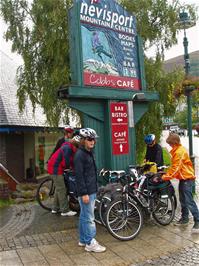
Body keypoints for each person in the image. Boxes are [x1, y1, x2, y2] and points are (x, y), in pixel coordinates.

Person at [74, 128, 106, 253]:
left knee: (84, 216)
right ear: (83, 140)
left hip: (90, 189)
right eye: (89, 139)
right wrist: (84, 193)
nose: (92, 141)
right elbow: (79, 176)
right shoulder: (80, 155)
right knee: (89, 218)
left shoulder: (88, 152)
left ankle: (83, 239)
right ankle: (90, 243)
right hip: (86, 191)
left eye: (94, 139)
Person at [161, 133, 199, 232]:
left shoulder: (179, 152)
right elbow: (173, 167)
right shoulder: (176, 151)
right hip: (183, 178)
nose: (169, 145)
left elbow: (176, 168)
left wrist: (165, 177)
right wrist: (166, 174)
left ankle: (198, 221)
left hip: (187, 178)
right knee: (183, 199)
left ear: (175, 142)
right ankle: (185, 218)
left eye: (170, 144)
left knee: (189, 200)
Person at [47, 135, 81, 216]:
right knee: (62, 190)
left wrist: (73, 167)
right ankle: (65, 211)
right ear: (75, 145)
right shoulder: (68, 148)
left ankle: (55, 208)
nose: (78, 149)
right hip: (55, 169)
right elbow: (66, 162)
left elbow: (71, 161)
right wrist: (70, 167)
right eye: (78, 147)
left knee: (58, 189)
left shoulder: (70, 148)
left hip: (54, 168)